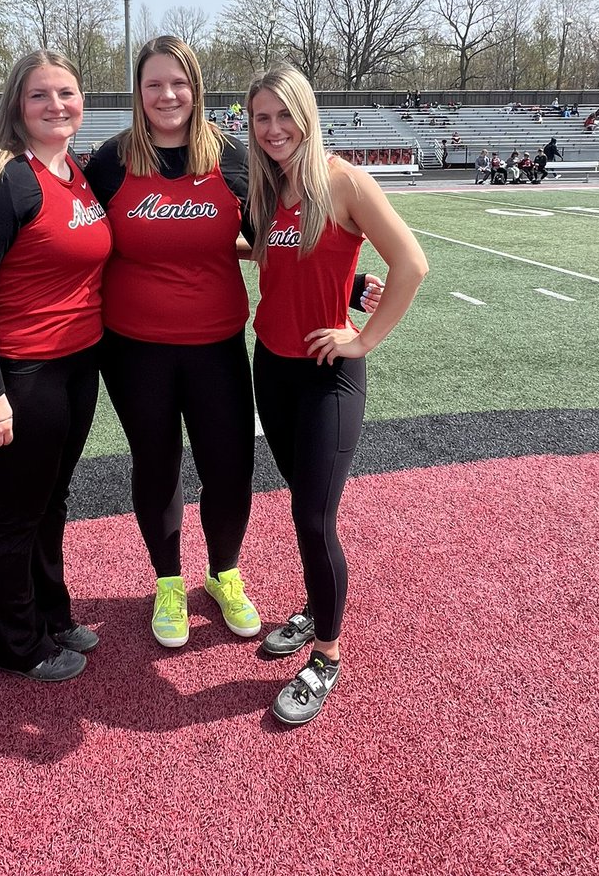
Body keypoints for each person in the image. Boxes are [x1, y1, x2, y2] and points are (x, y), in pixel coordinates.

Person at [246, 63, 427, 726]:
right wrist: (347, 284)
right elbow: (274, 252)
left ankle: (326, 653)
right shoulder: (269, 186)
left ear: (307, 114)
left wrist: (363, 337)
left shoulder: (344, 180)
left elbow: (411, 264)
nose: (273, 129)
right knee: (302, 502)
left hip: (329, 375)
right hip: (272, 366)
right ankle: (316, 606)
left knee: (314, 518)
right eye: (261, 118)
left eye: (283, 115)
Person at [85, 37, 262, 648]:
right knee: (157, 465)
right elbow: (69, 237)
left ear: (197, 89)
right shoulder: (109, 161)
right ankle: (167, 581)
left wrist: (346, 282)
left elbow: (279, 235)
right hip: (134, 350)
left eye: (179, 83)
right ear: (138, 91)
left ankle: (224, 573)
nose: (167, 95)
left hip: (217, 343)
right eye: (154, 83)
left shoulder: (233, 157)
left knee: (230, 467)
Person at [0, 49, 112, 683]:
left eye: (66, 93)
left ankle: (51, 611)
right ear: (17, 104)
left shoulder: (77, 170)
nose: (56, 106)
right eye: (40, 95)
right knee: (17, 510)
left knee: (52, 498)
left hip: (74, 365)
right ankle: (15, 642)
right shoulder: (1, 177)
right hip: (18, 373)